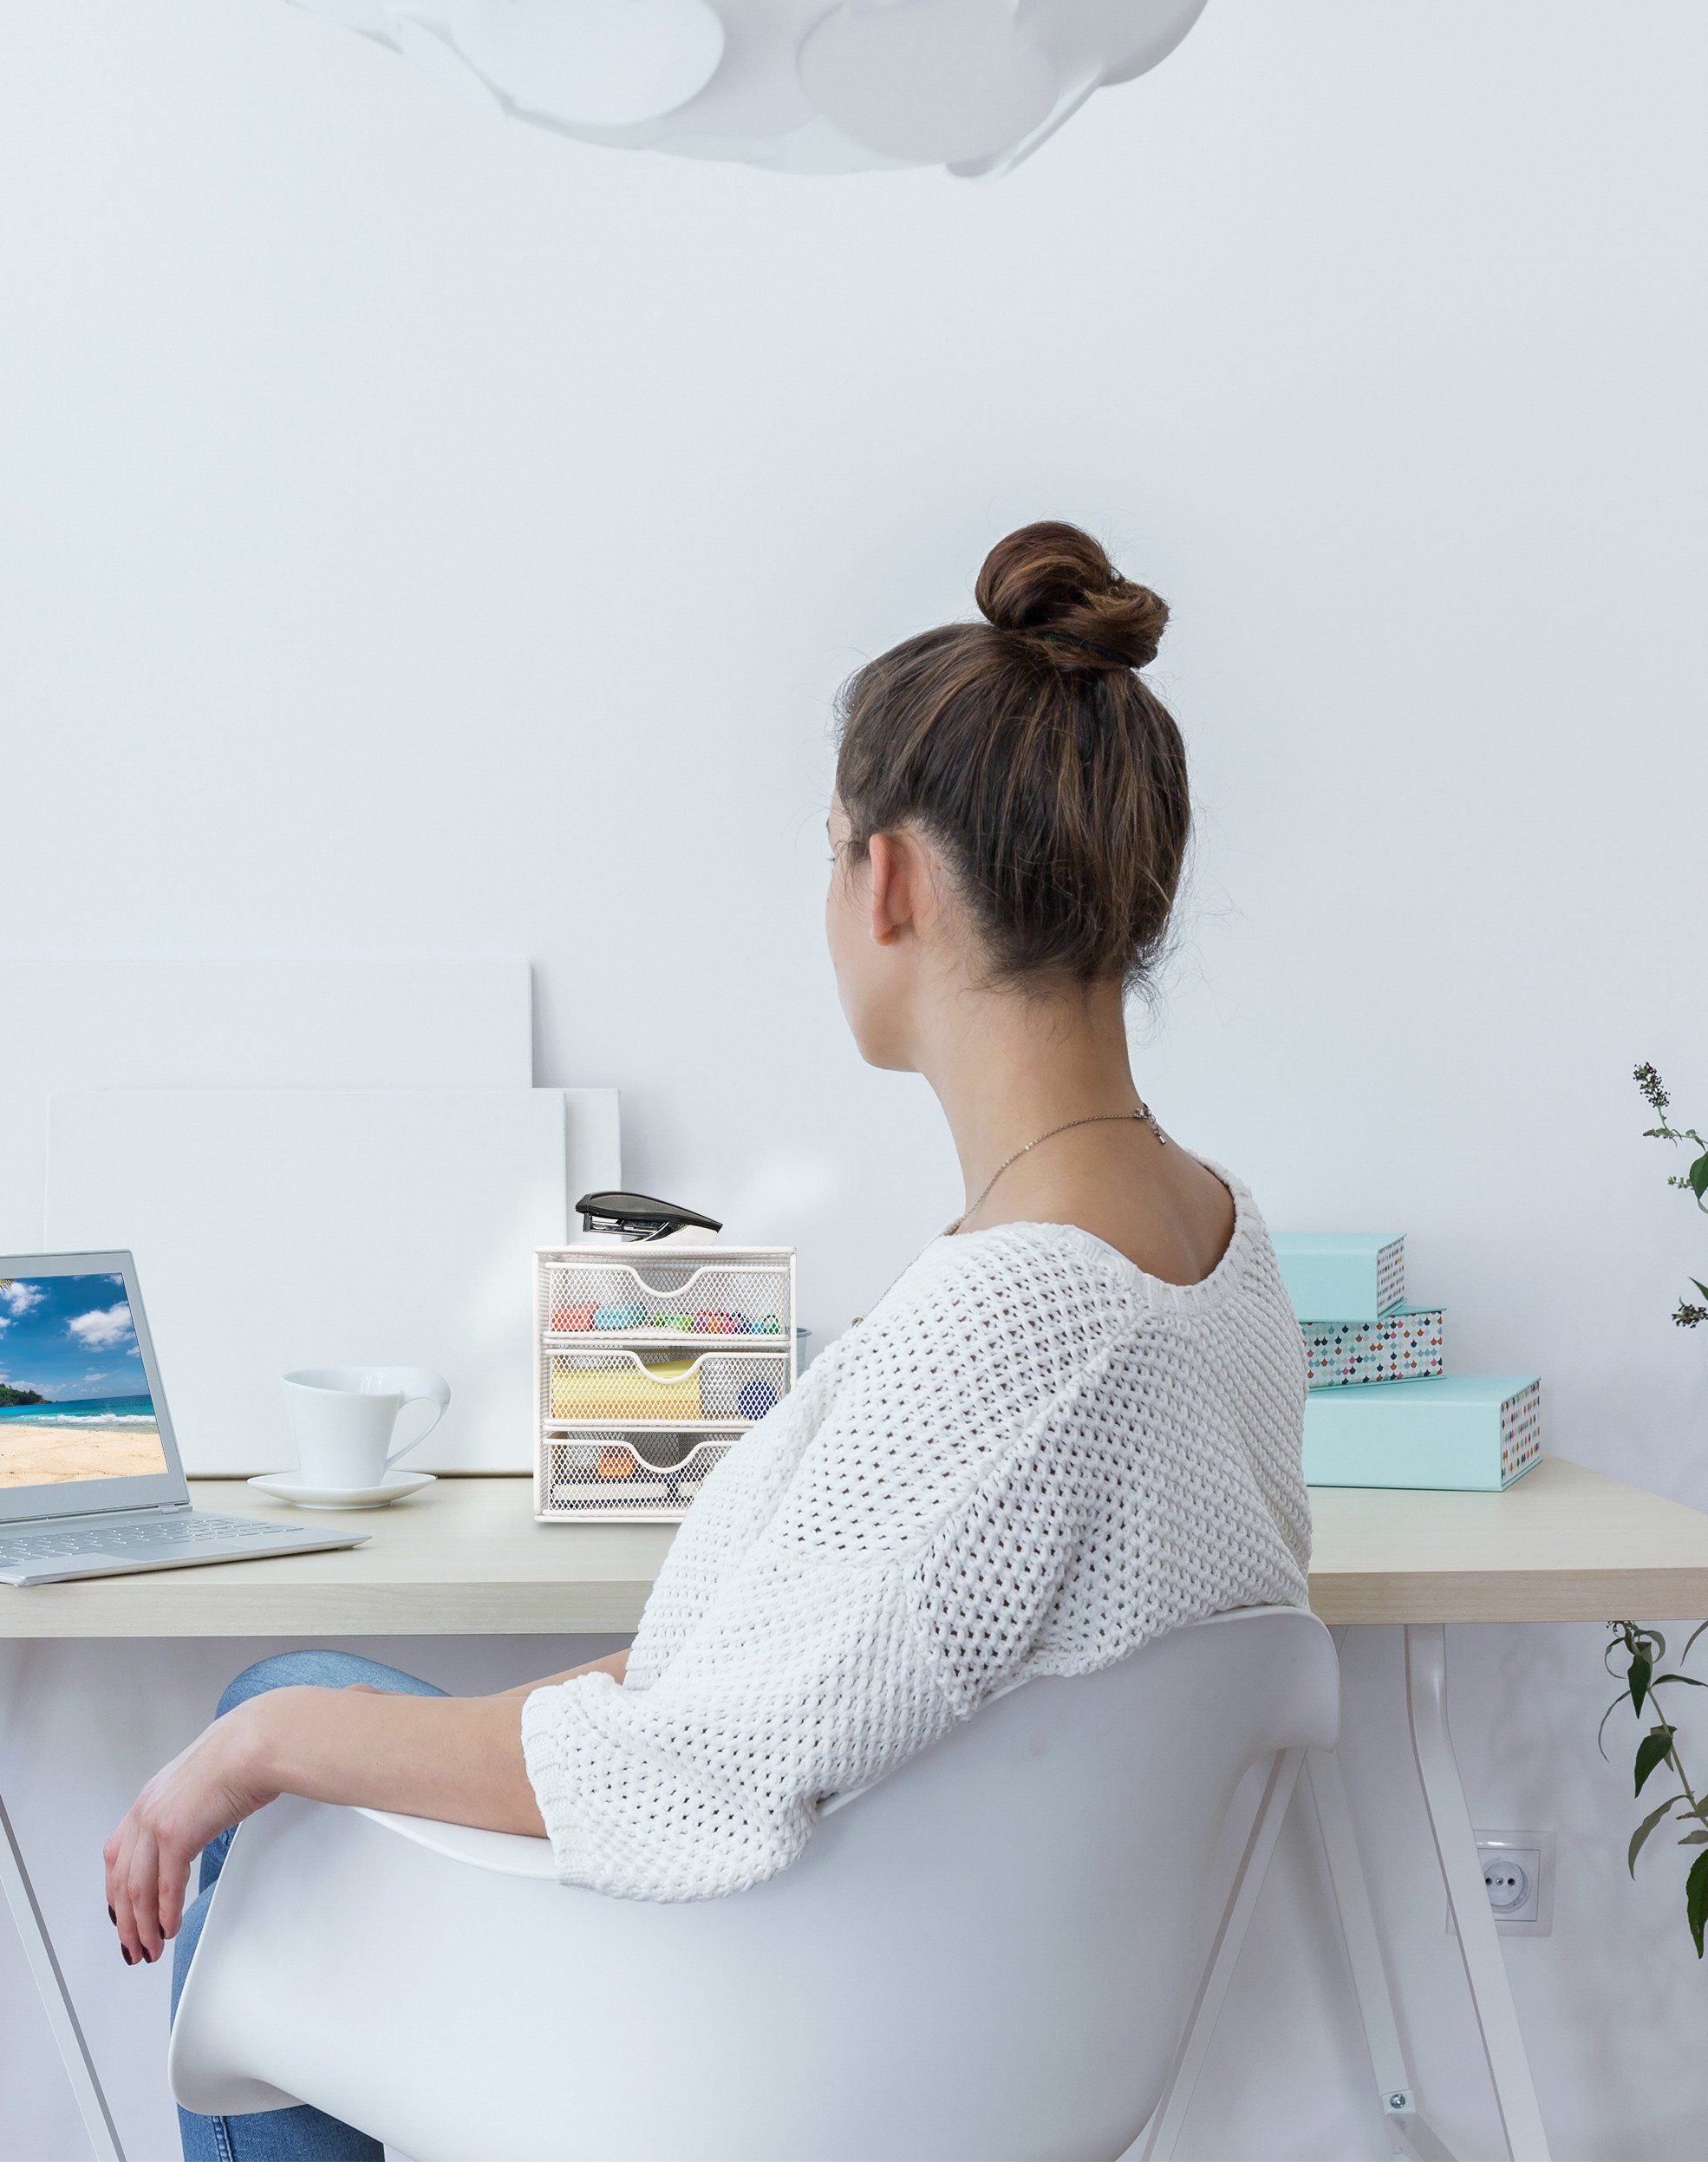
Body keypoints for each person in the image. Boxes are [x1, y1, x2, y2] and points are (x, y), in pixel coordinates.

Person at [107, 520, 1313, 2162]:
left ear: (885, 879)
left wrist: (259, 1744)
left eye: (831, 849)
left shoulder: (1027, 1319)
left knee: (284, 1698)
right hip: (957, 2026)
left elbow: (702, 1770)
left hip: (776, 2042)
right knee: (308, 1716)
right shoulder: (1220, 1252)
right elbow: (808, 1681)